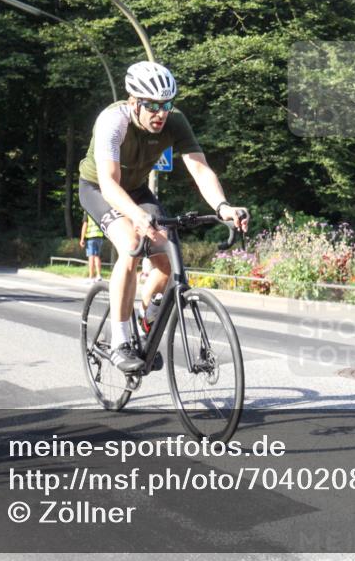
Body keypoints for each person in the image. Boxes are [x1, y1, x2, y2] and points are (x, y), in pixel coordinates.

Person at [78, 61, 249, 372]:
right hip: (99, 189)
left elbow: (199, 167)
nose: (160, 113)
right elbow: (109, 183)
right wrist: (134, 217)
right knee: (130, 243)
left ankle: (148, 316)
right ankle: (120, 340)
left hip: (138, 190)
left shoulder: (175, 121)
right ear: (134, 102)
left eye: (166, 104)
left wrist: (223, 206)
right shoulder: (112, 122)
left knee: (167, 255)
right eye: (152, 106)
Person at [79, 213, 105, 283]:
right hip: (99, 237)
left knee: (91, 257)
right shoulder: (98, 211)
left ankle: (91, 277)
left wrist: (82, 239)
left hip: (91, 237)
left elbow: (85, 225)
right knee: (97, 257)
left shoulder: (87, 212)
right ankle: (99, 276)